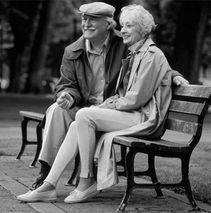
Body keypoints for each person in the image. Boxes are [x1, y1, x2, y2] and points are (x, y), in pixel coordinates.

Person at [17, 4, 187, 203]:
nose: (86, 24)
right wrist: (69, 96)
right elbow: (69, 85)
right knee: (62, 112)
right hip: (111, 109)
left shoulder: (131, 47)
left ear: (109, 24)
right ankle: (48, 182)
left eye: (128, 26)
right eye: (84, 19)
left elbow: (143, 86)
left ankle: (86, 179)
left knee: (84, 116)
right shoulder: (83, 50)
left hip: (137, 115)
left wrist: (174, 76)